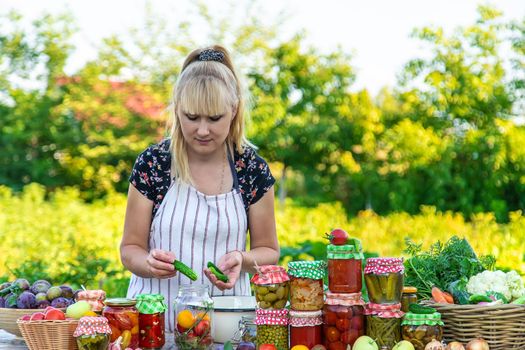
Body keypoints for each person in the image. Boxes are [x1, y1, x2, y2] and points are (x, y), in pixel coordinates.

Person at [120, 45, 280, 331]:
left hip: (226, 329)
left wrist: (242, 260)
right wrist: (147, 262)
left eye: (214, 118)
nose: (203, 130)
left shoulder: (251, 169)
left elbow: (268, 250)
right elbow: (130, 249)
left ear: (233, 110)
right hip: (154, 328)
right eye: (192, 118)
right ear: (177, 110)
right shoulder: (154, 164)